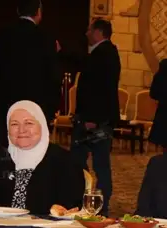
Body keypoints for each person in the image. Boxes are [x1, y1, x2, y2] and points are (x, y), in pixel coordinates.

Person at [0, 101, 84, 214]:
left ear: (41, 125)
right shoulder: (1, 159)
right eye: (14, 124)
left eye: (29, 123)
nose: (22, 130)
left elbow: (72, 206)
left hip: (47, 224)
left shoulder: (64, 160)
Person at [70, 18, 121, 217]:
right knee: (92, 163)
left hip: (94, 121)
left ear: (99, 32)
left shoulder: (104, 54)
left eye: (89, 30)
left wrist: (91, 119)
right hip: (96, 119)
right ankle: (89, 201)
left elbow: (99, 90)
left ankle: (98, 204)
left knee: (95, 164)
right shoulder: (106, 53)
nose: (86, 34)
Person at [0, 0, 61, 143]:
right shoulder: (46, 39)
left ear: (18, 11)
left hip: (7, 106)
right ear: (39, 13)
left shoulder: (2, 36)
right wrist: (52, 109)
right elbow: (53, 77)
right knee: (33, 149)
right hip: (37, 107)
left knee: (8, 148)